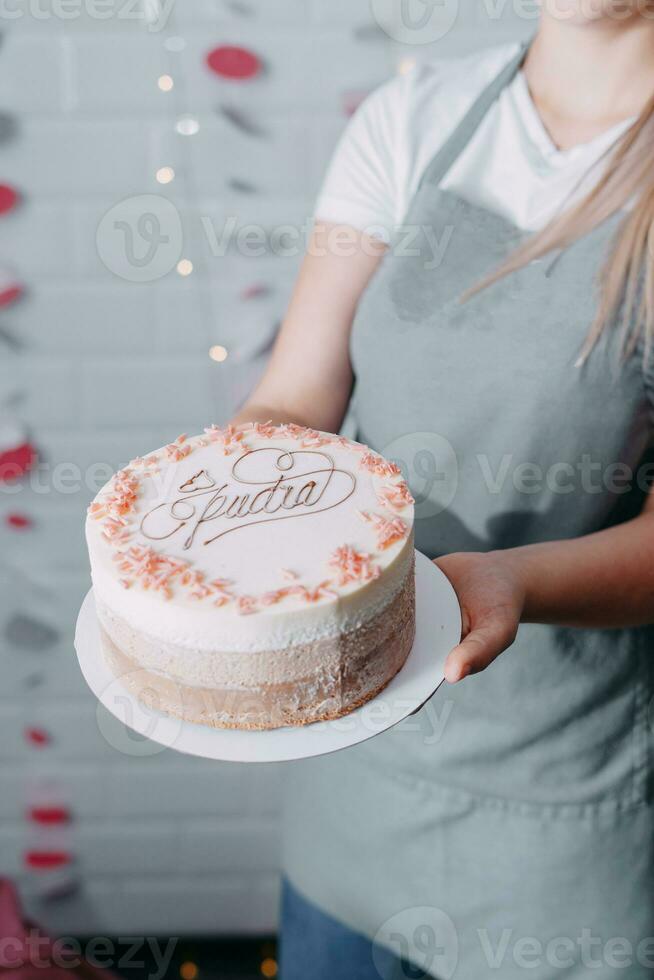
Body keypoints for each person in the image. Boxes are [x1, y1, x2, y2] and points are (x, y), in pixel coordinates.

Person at [231, 3, 654, 977]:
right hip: (353, 767)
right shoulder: (414, 117)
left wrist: (507, 582)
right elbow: (298, 395)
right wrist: (225, 491)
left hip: (562, 824)